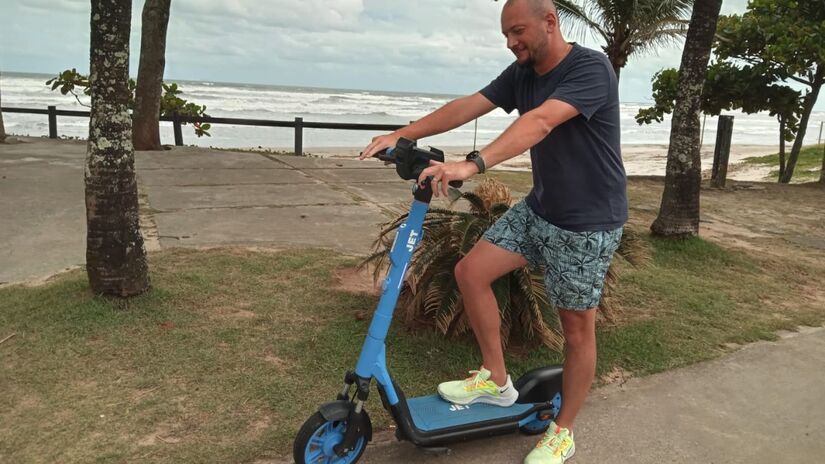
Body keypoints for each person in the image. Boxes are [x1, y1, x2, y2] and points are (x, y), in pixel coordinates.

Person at [360, 0, 626, 462]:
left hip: (586, 223)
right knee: (471, 272)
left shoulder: (590, 68)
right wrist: (404, 134)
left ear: (550, 21)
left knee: (576, 330)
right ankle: (497, 381)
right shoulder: (522, 72)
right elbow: (470, 105)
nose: (510, 42)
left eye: (517, 31)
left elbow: (539, 121)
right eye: (505, 34)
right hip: (541, 209)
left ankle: (563, 432)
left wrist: (472, 164)